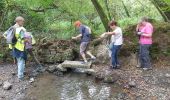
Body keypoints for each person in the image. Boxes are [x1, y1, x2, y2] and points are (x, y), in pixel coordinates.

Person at [12, 16, 27, 80]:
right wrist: (28, 39)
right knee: (21, 61)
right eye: (22, 21)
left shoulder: (12, 27)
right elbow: (23, 38)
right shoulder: (20, 29)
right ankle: (20, 76)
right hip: (20, 47)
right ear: (18, 21)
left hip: (14, 47)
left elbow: (5, 35)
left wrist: (14, 42)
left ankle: (22, 72)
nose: (23, 22)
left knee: (19, 60)